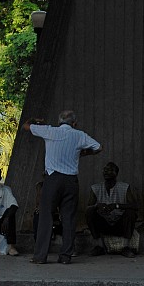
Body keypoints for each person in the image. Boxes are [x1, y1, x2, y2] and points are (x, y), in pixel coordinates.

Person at [23, 110, 102, 264]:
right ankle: (65, 256)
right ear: (74, 123)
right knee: (69, 219)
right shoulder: (79, 135)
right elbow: (99, 147)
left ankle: (40, 257)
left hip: (52, 180)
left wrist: (33, 118)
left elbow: (26, 126)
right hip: (71, 181)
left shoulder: (49, 130)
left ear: (59, 122)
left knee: (46, 217)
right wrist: (83, 153)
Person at [86, 162, 138, 258]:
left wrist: (117, 206)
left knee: (131, 212)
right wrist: (97, 206)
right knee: (90, 212)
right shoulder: (95, 188)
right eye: (105, 170)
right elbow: (88, 207)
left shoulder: (124, 187)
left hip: (120, 224)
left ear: (116, 173)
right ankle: (99, 246)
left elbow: (135, 206)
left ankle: (126, 247)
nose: (106, 172)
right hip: (104, 223)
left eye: (110, 170)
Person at [32, 176, 62, 242]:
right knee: (37, 215)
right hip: (44, 212)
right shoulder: (41, 187)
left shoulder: (57, 187)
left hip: (54, 213)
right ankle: (38, 240)